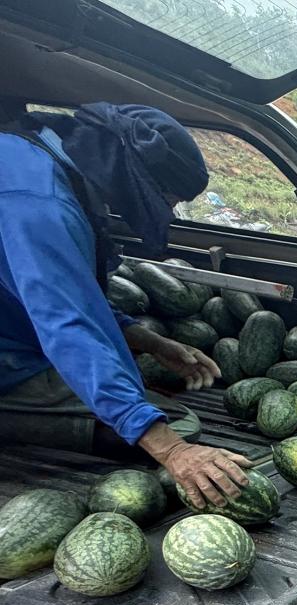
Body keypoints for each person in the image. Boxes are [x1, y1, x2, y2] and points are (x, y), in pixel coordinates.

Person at [0, 102, 248, 508]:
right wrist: (173, 451)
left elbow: (69, 294)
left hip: (18, 333)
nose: (165, 212)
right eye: (164, 199)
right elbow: (67, 325)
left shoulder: (38, 159)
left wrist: (153, 344)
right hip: (10, 359)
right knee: (177, 427)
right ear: (134, 174)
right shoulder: (40, 205)